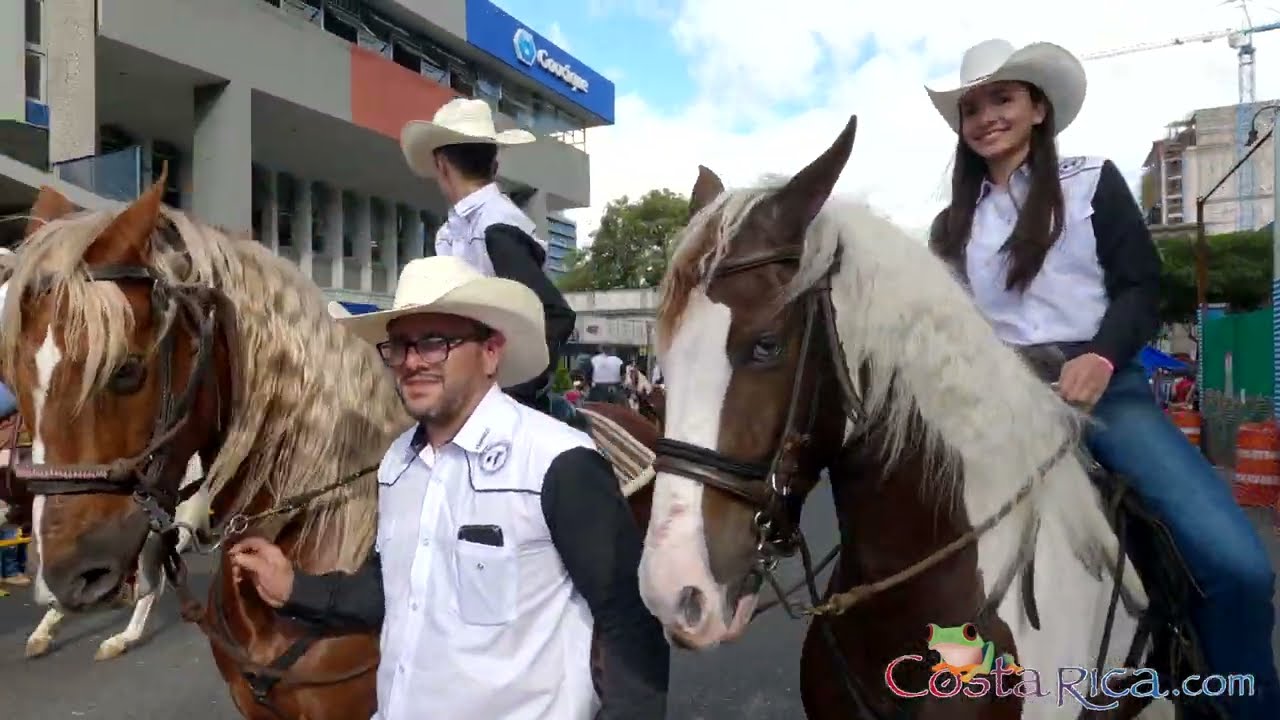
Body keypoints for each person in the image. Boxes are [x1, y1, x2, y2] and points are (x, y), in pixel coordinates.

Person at [924, 38, 1278, 717]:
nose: (985, 117)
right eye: (971, 107)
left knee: (1237, 567)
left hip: (1105, 393)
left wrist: (1103, 355)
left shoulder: (1093, 180)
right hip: (994, 403)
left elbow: (1142, 286)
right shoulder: (951, 224)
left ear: (1037, 108)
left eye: (1002, 98)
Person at [228, 256, 669, 720]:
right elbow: (393, 588)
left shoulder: (558, 460)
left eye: (434, 343)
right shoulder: (398, 462)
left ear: (491, 352)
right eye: (399, 345)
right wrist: (294, 587)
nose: (412, 362)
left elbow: (629, 622)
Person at [400, 98, 576, 418]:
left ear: (441, 165)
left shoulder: (496, 227)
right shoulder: (457, 230)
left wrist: (508, 390)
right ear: (494, 166)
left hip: (497, 401)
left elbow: (554, 313)